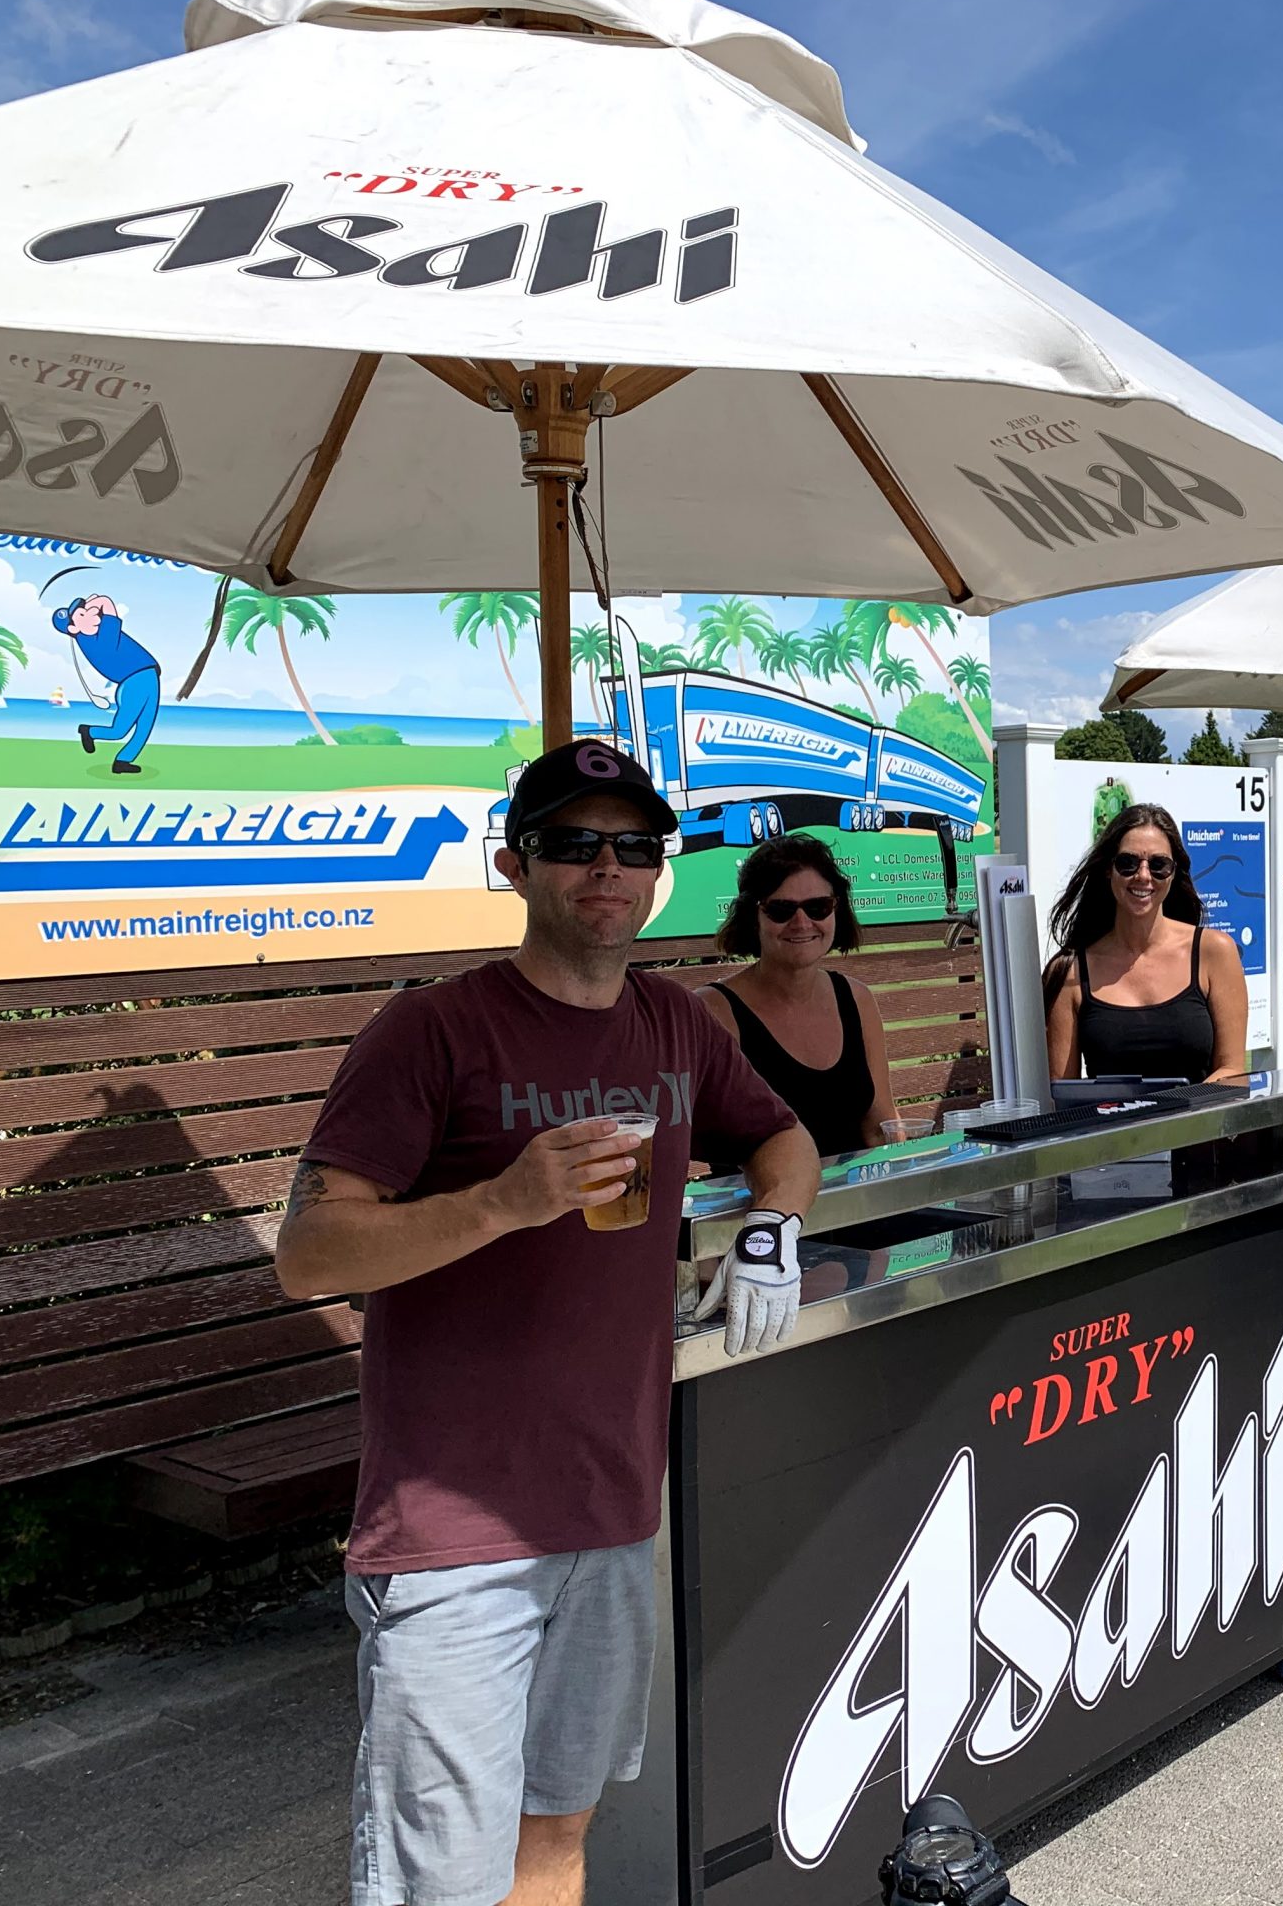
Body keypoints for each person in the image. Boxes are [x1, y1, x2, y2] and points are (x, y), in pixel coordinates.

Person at [274, 738, 822, 1906]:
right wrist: (503, 1202)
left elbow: (783, 1136)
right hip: (454, 1531)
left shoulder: (675, 1024)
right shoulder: (431, 1031)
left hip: (613, 1508)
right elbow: (309, 1254)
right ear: (515, 866)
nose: (606, 869)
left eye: (633, 846)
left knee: (554, 1845)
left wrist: (772, 1224)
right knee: (440, 1885)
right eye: (572, 845)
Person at [701, 833, 904, 1156]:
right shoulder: (715, 1011)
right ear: (753, 917)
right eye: (780, 910)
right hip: (763, 1202)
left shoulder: (857, 999)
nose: (801, 922)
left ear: (837, 909)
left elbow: (880, 1128)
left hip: (858, 1200)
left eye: (818, 907)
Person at [1045, 802, 1249, 1082]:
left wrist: (1176, 1116)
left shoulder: (1215, 952)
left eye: (1158, 865)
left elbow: (1233, 1071)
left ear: (1174, 872)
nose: (1143, 875)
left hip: (1198, 1124)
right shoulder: (1069, 973)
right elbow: (1062, 1095)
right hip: (1110, 1126)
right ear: (1108, 869)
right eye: (1127, 863)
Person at [53, 592, 160, 773]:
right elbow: (106, 602)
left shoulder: (91, 637)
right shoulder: (101, 638)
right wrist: (93, 603)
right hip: (137, 681)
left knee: (144, 727)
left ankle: (122, 761)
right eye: (81, 614)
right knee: (119, 730)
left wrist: (88, 608)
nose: (89, 613)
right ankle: (90, 732)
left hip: (144, 678)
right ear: (72, 628)